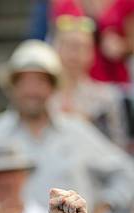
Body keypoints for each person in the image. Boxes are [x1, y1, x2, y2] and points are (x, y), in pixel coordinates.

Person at [0, 39, 134, 213]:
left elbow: (127, 173)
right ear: (12, 87)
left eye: (40, 82)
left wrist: (105, 206)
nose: (32, 90)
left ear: (52, 87)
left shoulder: (77, 131)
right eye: (24, 82)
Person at [51, 13, 127, 147]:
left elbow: (117, 148)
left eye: (81, 46)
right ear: (54, 48)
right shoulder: (40, 95)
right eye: (68, 45)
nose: (74, 53)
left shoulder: (107, 97)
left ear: (92, 53)